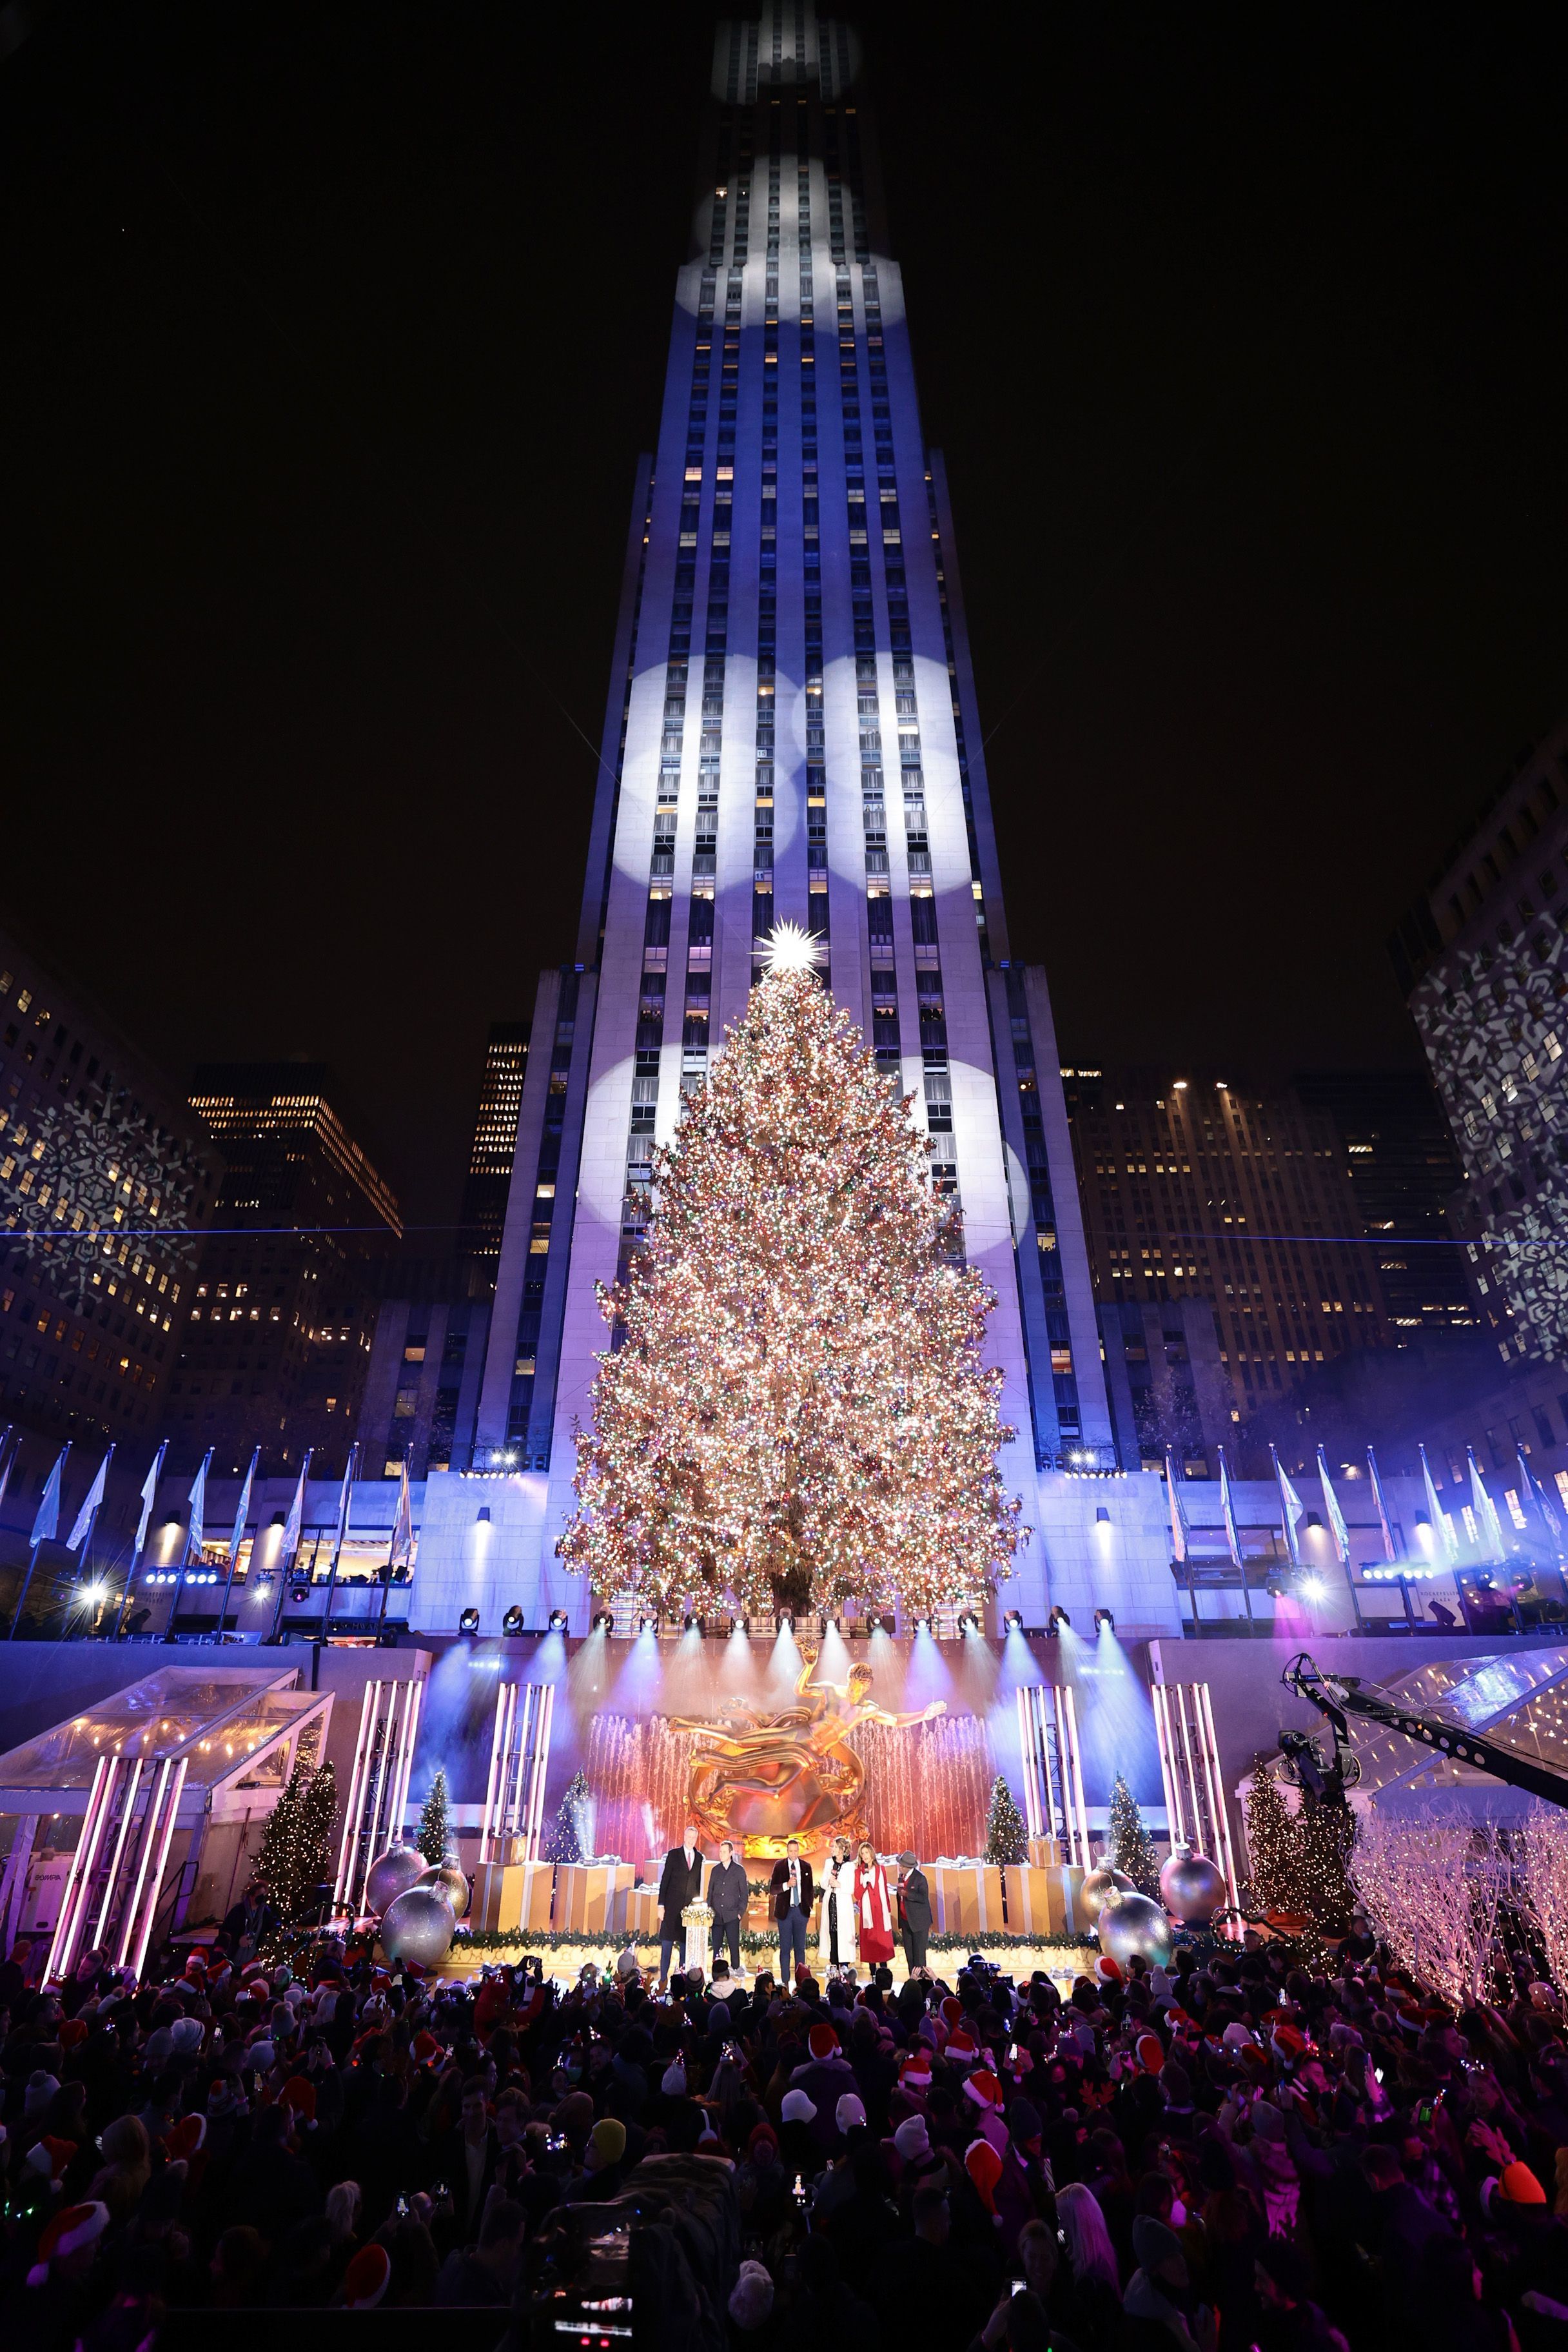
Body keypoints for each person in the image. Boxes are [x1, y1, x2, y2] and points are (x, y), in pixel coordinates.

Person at [656, 1823, 705, 1990]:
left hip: (689, 1912)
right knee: (667, 1948)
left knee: (685, 1949)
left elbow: (697, 1884)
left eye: (694, 1838)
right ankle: (663, 1981)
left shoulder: (699, 1857)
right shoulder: (674, 1855)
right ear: (684, 1837)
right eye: (689, 1837)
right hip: (671, 1908)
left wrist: (697, 1906)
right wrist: (661, 1904)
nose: (691, 1840)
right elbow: (665, 1881)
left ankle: (682, 1983)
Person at [769, 1836, 814, 1979]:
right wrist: (786, 1885)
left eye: (796, 1851)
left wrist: (808, 1907)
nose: (793, 1854)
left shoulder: (806, 1867)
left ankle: (801, 1982)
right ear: (787, 1851)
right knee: (785, 1949)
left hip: (801, 1912)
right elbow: (772, 1889)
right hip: (785, 1913)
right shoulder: (780, 1866)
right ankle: (785, 1982)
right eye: (791, 1851)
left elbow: (810, 1889)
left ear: (798, 1851)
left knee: (800, 1948)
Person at [851, 1838, 895, 1970]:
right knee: (871, 1946)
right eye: (862, 1854)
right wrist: (864, 1882)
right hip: (868, 1914)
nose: (864, 1856)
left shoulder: (881, 1869)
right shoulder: (858, 1872)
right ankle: (873, 1976)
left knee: (882, 1946)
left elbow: (885, 1892)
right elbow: (857, 1895)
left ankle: (885, 1974)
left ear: (871, 1853)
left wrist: (888, 1910)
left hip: (881, 1913)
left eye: (866, 1852)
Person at [708, 1835, 749, 1974]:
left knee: (733, 1946)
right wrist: (709, 1913)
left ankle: (736, 1970)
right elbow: (710, 1893)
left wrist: (739, 1913)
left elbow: (744, 1895)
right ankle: (717, 1973)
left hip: (732, 1916)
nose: (721, 1854)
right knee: (717, 1947)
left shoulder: (739, 1870)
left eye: (724, 1852)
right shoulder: (715, 1870)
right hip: (717, 1916)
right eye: (720, 1851)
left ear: (731, 1853)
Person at [819, 1836, 858, 1975]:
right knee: (832, 1930)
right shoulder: (829, 1863)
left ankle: (844, 1964)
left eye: (835, 1847)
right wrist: (829, 1881)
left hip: (843, 1904)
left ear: (842, 1849)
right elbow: (822, 1883)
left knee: (843, 1931)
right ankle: (833, 1962)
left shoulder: (850, 1866)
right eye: (833, 1847)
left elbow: (852, 1887)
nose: (833, 1849)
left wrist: (840, 1885)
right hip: (831, 1901)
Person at [898, 1849, 932, 1975]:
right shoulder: (901, 1878)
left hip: (919, 1922)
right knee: (910, 1956)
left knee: (919, 1956)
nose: (900, 1867)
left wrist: (907, 1894)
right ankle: (913, 1980)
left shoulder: (920, 1879)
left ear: (908, 1867)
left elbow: (923, 1898)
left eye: (902, 1866)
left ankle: (922, 1982)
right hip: (906, 1922)